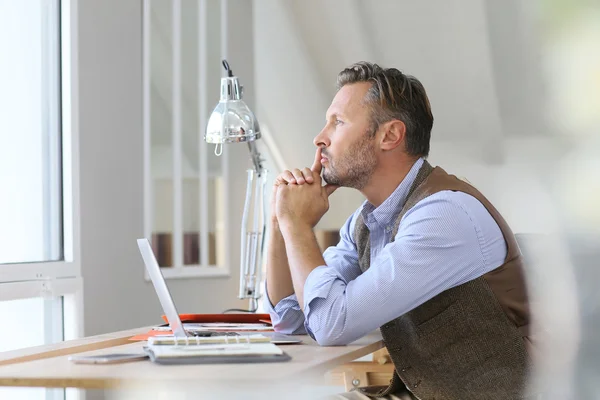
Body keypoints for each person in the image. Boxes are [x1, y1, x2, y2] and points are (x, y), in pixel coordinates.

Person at [264, 62, 532, 400]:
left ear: (390, 135)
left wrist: (297, 225)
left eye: (338, 122)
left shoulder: (444, 215)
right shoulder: (365, 223)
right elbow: (293, 324)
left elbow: (331, 324)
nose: (320, 138)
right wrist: (279, 223)